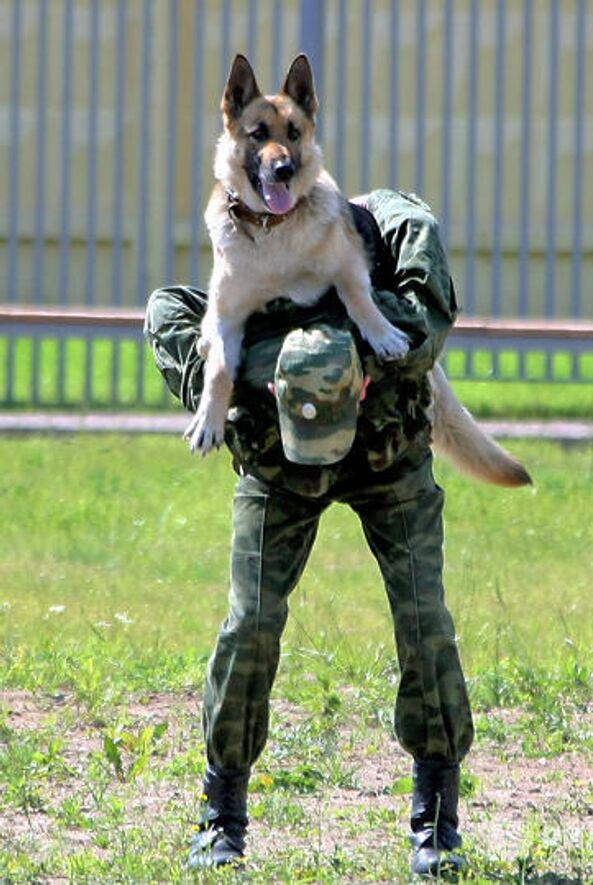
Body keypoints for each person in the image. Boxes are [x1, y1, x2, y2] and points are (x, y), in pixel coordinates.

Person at [144, 189, 474, 878]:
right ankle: (221, 812)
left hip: (386, 454)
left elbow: (424, 322)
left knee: (426, 621)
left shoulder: (399, 233)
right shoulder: (253, 253)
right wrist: (259, 373)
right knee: (250, 624)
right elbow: (166, 311)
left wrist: (355, 357)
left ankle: (437, 814)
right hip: (280, 462)